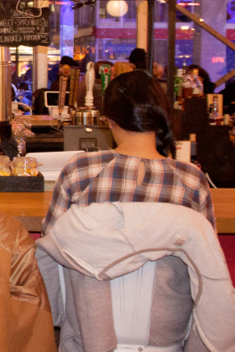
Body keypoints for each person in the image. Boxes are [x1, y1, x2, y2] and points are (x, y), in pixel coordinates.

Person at [42, 70, 215, 235]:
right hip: (165, 267)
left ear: (110, 121)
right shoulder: (192, 180)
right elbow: (205, 252)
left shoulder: (80, 170)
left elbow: (52, 239)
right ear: (161, 116)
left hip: (93, 266)